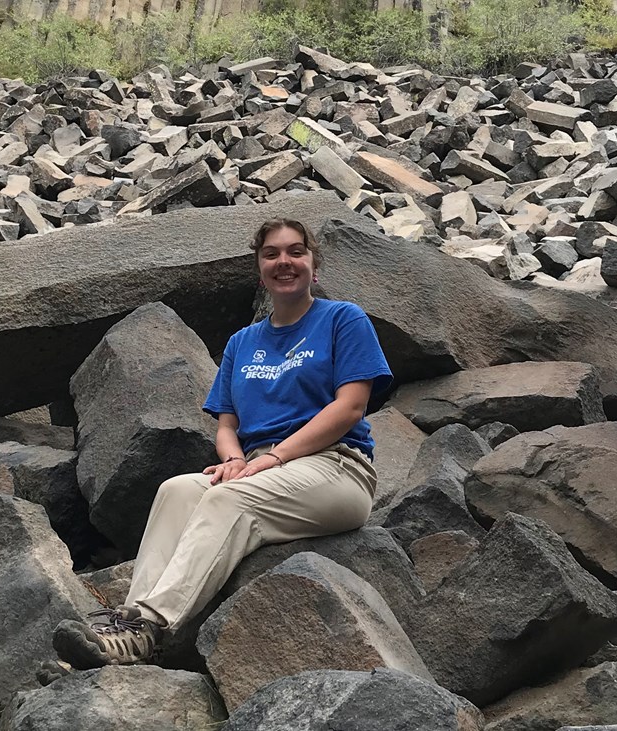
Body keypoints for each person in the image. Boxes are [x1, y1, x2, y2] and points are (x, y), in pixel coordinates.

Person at [51, 217, 393, 670]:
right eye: (271, 254)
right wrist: (233, 458)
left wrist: (274, 456)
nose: (284, 262)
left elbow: (350, 407)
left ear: (314, 266)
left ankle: (149, 628)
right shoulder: (242, 343)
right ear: (259, 269)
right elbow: (226, 424)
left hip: (336, 469)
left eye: (296, 252)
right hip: (261, 467)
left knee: (229, 500)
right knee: (177, 490)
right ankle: (122, 632)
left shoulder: (342, 319)